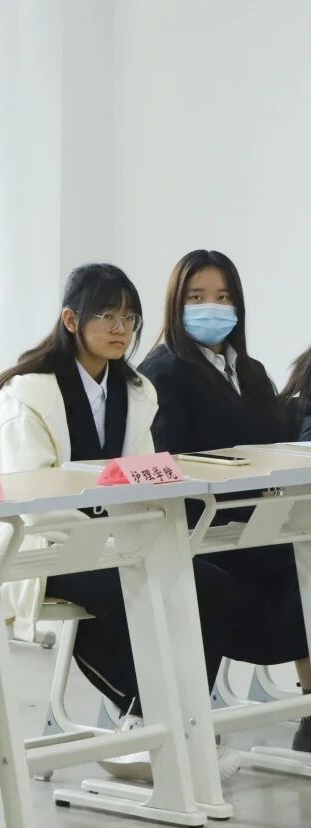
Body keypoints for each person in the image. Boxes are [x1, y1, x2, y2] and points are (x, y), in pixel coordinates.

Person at [0, 262, 288, 781]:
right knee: (149, 588)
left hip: (114, 542)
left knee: (211, 586)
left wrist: (130, 532)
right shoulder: (29, 394)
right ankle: (157, 729)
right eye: (106, 316)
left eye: (129, 319)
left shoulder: (136, 390)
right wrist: (109, 534)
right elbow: (27, 497)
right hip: (45, 547)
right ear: (71, 320)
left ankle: (166, 728)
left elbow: (142, 478)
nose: (120, 329)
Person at [139, 249, 311, 753]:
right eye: (196, 298)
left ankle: (308, 712)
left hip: (254, 524)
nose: (210, 308)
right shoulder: (163, 373)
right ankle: (186, 726)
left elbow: (279, 439)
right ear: (176, 304)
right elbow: (166, 462)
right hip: (202, 529)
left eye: (222, 297)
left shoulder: (250, 372)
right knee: (291, 566)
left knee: (305, 557)